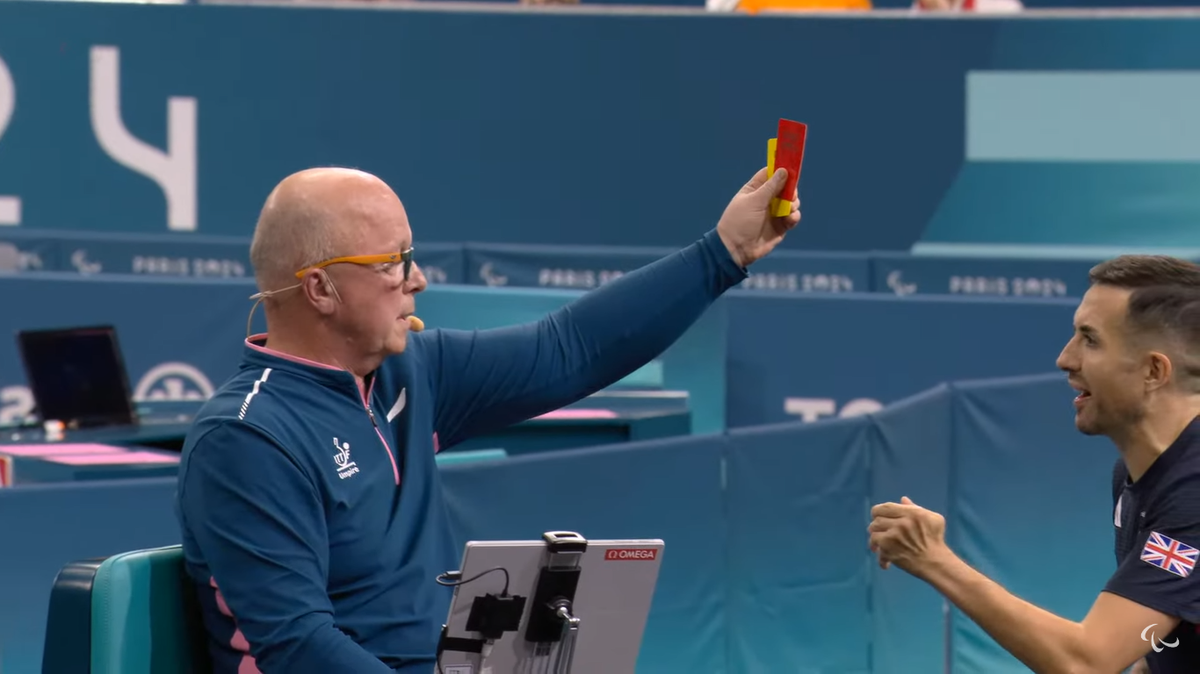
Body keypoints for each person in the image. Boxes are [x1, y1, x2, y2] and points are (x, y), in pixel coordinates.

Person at [175, 164, 801, 673]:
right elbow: (297, 647)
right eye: (393, 261)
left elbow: (570, 348)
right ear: (320, 290)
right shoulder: (246, 438)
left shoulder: (411, 372)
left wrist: (724, 253)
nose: (417, 279)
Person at [868, 254, 1200, 674]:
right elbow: (1163, 644)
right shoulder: (1141, 472)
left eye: (1090, 339)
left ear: (1153, 371)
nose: (1065, 358)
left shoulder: (1192, 492)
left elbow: (1086, 663)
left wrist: (933, 559)